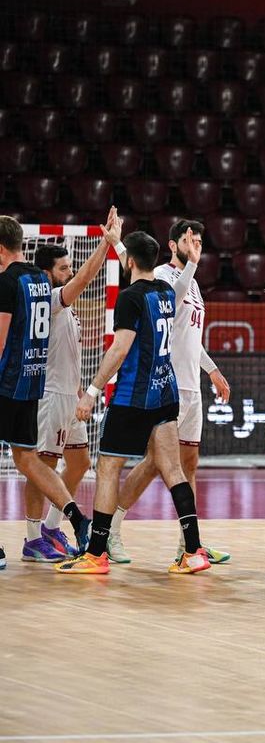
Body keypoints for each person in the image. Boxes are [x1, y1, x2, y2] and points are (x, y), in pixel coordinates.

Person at [57, 230, 208, 576]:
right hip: (165, 393)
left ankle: (96, 553)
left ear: (128, 262)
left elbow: (120, 348)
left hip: (132, 397)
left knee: (109, 468)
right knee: (173, 470)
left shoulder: (130, 297)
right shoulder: (166, 292)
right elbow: (139, 261)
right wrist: (118, 242)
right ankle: (193, 551)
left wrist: (92, 391)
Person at [105, 219, 232, 565]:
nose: (197, 244)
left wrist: (213, 370)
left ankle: (190, 543)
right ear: (173, 245)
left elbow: (191, 338)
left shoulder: (193, 285)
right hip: (166, 384)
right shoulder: (162, 274)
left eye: (200, 240)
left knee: (188, 465)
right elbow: (138, 275)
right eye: (190, 239)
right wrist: (118, 246)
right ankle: (111, 530)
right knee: (154, 463)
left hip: (193, 386)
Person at [21, 209, 121, 563]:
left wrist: (81, 391)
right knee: (43, 466)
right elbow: (85, 277)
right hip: (48, 396)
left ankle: (51, 527)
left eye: (68, 268)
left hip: (69, 394)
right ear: (48, 273)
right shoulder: (47, 300)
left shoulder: (64, 304)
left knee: (79, 463)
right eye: (63, 268)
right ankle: (33, 538)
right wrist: (106, 244)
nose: (68, 273)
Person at [0, 215, 95, 571]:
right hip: (35, 385)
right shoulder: (41, 282)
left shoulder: (9, 283)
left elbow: (3, 339)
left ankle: (37, 534)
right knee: (30, 461)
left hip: (14, 384)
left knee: (38, 462)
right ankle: (69, 518)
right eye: (65, 267)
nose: (68, 272)